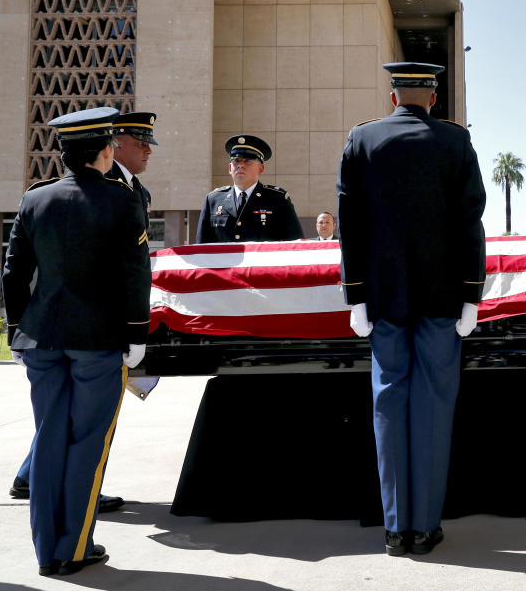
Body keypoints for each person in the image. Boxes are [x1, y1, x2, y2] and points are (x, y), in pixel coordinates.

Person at [337, 61, 486, 556]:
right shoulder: (455, 142)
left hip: (382, 298)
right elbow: (471, 224)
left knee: (388, 405)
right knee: (433, 406)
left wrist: (354, 294)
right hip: (442, 298)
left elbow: (350, 224)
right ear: (434, 96)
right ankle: (425, 527)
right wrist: (472, 293)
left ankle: (395, 528)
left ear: (393, 92)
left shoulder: (362, 140)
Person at [1, 107, 151, 576]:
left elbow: (14, 272)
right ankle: (74, 548)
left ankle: (48, 550)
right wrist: (136, 333)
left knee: (49, 440)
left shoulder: (34, 199)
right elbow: (134, 273)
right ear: (106, 152)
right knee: (87, 443)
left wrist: (15, 330)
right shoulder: (121, 200)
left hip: (41, 337)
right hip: (99, 340)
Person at [196, 134, 304, 243]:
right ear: (230, 168)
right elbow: (202, 247)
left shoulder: (277, 199)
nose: (240, 166)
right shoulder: (214, 200)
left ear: (261, 169)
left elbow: (295, 244)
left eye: (247, 161)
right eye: (236, 161)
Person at [107, 110, 157, 228]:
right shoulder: (104, 185)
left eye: (148, 145)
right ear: (117, 144)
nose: (149, 151)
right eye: (141, 144)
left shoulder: (142, 192)